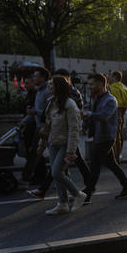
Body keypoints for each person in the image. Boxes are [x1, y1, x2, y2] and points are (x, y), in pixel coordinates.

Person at [83, 73, 127, 201]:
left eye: (92, 84)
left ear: (101, 84)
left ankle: (87, 193)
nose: (90, 86)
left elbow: (103, 116)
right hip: (99, 136)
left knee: (95, 165)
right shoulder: (97, 98)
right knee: (112, 164)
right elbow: (93, 115)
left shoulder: (111, 100)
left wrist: (87, 114)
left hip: (106, 137)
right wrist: (84, 126)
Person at [38, 76, 86, 214]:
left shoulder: (70, 105)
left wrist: (71, 150)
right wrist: (43, 143)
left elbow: (74, 129)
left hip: (65, 143)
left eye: (51, 84)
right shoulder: (52, 102)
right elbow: (48, 125)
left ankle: (78, 194)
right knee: (57, 174)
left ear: (58, 86)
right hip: (53, 142)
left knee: (56, 172)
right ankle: (62, 203)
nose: (48, 86)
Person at [108, 70, 127, 161]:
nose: (109, 78)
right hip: (122, 115)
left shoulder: (111, 88)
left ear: (115, 77)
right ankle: (118, 155)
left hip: (113, 116)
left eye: (110, 76)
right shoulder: (125, 89)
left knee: (112, 137)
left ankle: (114, 157)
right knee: (119, 137)